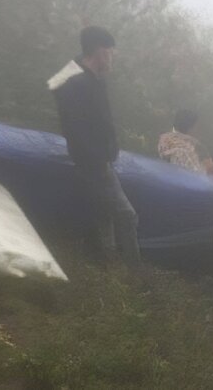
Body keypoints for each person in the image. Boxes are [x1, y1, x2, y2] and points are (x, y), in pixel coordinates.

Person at [49, 26, 140, 265]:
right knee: (126, 215)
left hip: (98, 160)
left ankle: (110, 271)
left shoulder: (89, 79)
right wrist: (99, 157)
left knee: (104, 217)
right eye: (110, 52)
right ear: (100, 52)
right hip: (94, 163)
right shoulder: (77, 84)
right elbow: (76, 129)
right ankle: (135, 271)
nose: (112, 57)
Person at [158, 109, 213, 174]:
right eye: (198, 126)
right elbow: (200, 175)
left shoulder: (164, 140)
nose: (201, 130)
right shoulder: (194, 148)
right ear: (190, 128)